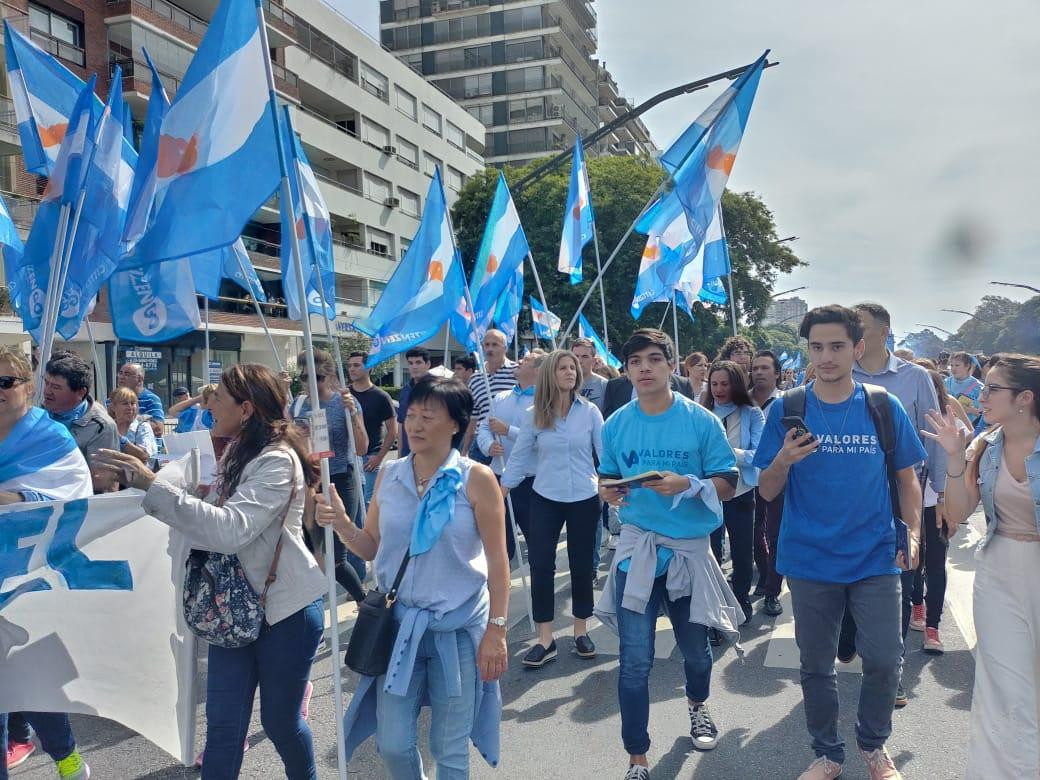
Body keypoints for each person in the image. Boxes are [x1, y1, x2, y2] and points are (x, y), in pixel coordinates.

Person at [93, 364, 327, 780]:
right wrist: (151, 476)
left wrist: (153, 486)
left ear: (247, 408)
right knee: (222, 729)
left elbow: (229, 530)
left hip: (286, 612)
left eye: (217, 395)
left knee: (280, 724)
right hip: (230, 607)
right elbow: (213, 511)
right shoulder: (238, 448)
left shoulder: (277, 460)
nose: (208, 401)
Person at [754, 305, 926, 780]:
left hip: (874, 556)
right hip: (809, 559)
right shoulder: (788, 409)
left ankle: (873, 745)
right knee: (815, 666)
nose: (826, 356)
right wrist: (784, 460)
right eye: (816, 347)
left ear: (858, 349)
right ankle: (828, 752)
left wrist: (911, 532)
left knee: (887, 659)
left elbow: (907, 478)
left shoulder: (881, 405)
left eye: (836, 346)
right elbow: (766, 490)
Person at [315, 376, 509, 779]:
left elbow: (498, 561)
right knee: (394, 745)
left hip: (456, 631)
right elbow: (371, 547)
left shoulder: (476, 479)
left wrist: (497, 630)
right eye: (410, 415)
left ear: (456, 424)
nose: (415, 425)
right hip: (399, 628)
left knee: (449, 748)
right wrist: (341, 525)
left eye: (428, 416)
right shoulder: (390, 475)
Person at [593, 329, 741, 780]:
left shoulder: (701, 421)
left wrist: (688, 484)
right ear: (626, 368)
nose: (644, 368)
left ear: (670, 364)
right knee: (634, 660)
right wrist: (610, 493)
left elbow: (728, 483)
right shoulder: (616, 423)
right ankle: (637, 756)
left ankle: (698, 704)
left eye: (653, 359)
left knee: (696, 654)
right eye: (634, 361)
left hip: (688, 554)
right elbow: (607, 481)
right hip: (636, 553)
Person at [923, 353, 1040, 779]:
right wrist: (955, 458)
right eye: (983, 386)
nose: (980, 395)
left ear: (1024, 398)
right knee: (1004, 690)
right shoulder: (985, 446)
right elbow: (956, 513)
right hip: (998, 571)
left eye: (992, 389)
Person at [0, 346, 93, 780]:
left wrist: (16, 500)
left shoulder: (50, 437)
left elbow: (75, 501)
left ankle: (68, 758)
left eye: (6, 382)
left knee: (33, 679)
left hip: (28, 579)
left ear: (28, 387)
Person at [851, 302, 946, 702]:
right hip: (848, 497)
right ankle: (848, 635)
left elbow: (934, 436)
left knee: (901, 580)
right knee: (846, 580)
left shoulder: (916, 378)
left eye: (861, 327)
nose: (852, 334)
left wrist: (938, 495)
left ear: (885, 331)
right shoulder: (838, 372)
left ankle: (894, 673)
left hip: (903, 492)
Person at [501, 349, 603, 666]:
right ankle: (545, 639)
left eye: (573, 367)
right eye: (563, 367)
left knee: (582, 563)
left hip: (585, 497)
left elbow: (605, 455)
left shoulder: (590, 413)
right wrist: (500, 490)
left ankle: (580, 630)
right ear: (550, 374)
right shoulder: (534, 414)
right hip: (545, 496)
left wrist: (609, 488)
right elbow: (518, 458)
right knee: (541, 565)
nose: (570, 372)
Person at [290, 349, 369, 600]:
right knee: (308, 549)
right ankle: (311, 604)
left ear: (328, 376)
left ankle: (364, 602)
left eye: (317, 377)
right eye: (304, 377)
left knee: (337, 556)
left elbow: (362, 447)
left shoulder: (344, 403)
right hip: (311, 483)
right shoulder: (298, 405)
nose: (311, 383)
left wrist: (353, 414)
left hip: (340, 480)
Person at [906, 368, 967, 652]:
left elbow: (969, 442)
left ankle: (933, 627)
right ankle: (917, 605)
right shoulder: (904, 415)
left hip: (939, 505)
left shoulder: (948, 413)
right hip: (911, 503)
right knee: (913, 561)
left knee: (936, 564)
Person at [701, 360, 764, 624]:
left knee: (742, 551)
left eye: (725, 384)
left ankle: (741, 598)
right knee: (710, 552)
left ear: (736, 384)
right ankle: (715, 606)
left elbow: (760, 454)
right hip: (708, 491)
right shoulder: (701, 412)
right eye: (714, 384)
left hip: (741, 491)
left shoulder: (752, 413)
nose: (719, 389)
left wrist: (731, 453)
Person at [477, 350, 545, 560]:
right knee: (499, 541)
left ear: (537, 371)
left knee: (537, 541)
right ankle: (498, 588)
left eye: (525, 361)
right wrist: (488, 446)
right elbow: (484, 428)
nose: (518, 362)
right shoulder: (500, 397)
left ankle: (539, 587)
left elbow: (543, 441)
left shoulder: (544, 402)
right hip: (498, 477)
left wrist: (509, 431)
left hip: (530, 480)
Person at [42, 351, 119, 494]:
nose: (47, 391)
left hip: (84, 506)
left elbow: (102, 481)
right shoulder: (38, 414)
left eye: (56, 387)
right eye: (46, 383)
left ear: (80, 392)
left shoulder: (101, 427)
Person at [749, 350, 785, 617]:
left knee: (774, 535)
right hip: (744, 478)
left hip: (775, 479)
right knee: (751, 533)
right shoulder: (741, 402)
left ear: (777, 373)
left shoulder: (788, 404)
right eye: (755, 368)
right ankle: (759, 577)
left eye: (764, 368)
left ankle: (772, 590)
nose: (759, 372)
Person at [347, 352, 397, 503]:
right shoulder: (344, 395)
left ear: (369, 368)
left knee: (368, 501)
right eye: (349, 366)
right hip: (347, 458)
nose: (352, 369)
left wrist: (379, 457)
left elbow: (392, 431)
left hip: (370, 458)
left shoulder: (381, 397)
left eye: (356, 365)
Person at [462, 330, 516, 464]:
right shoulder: (475, 379)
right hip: (482, 445)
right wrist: (465, 451)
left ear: (505, 347)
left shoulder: (517, 372)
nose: (490, 349)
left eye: (495, 345)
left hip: (510, 444)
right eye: (486, 345)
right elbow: (473, 418)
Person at [603, 363, 697, 419]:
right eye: (636, 361)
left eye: (655, 360)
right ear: (626, 369)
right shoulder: (614, 386)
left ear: (671, 366)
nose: (645, 367)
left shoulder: (683, 385)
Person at [396, 347, 431, 457]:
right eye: (410, 363)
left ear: (428, 364)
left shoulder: (438, 388)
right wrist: (400, 454)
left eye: (418, 362)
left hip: (430, 452)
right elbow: (401, 423)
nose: (414, 366)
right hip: (408, 453)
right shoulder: (405, 390)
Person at [109, 387, 158, 464]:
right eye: (125, 403)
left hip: (138, 474)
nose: (130, 407)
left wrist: (121, 440)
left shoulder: (142, 427)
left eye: (132, 403)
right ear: (113, 407)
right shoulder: (107, 427)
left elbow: (144, 455)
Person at [945, 351, 985, 425]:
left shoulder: (979, 387)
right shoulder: (945, 383)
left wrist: (970, 410)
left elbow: (982, 413)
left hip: (971, 426)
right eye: (951, 365)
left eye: (957, 365)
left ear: (967, 366)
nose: (953, 369)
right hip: (949, 424)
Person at [572, 338, 607, 413]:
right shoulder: (563, 383)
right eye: (576, 356)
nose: (579, 361)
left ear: (594, 361)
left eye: (585, 356)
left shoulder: (604, 384)